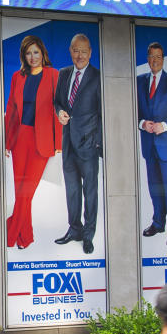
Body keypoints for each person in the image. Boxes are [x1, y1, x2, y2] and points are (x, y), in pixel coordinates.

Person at [4, 34, 61, 250]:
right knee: (21, 190)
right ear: (24, 56)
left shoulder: (53, 75)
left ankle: (11, 232)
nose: (32, 56)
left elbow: (58, 108)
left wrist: (59, 142)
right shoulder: (17, 77)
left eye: (36, 52)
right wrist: (7, 142)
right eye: (28, 53)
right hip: (20, 137)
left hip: (42, 139)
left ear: (42, 53)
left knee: (27, 191)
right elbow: (11, 109)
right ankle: (25, 237)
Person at [53, 33, 101, 255]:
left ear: (90, 52)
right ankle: (75, 229)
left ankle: (88, 235)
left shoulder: (98, 77)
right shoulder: (63, 74)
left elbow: (103, 113)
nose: (79, 55)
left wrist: (97, 143)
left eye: (83, 51)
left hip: (88, 145)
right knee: (72, 190)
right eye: (75, 50)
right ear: (70, 51)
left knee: (90, 192)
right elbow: (58, 102)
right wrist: (60, 111)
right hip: (68, 143)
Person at [137, 42, 167, 247]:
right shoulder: (139, 81)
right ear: (147, 58)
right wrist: (142, 123)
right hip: (149, 145)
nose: (155, 61)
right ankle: (158, 223)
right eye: (151, 56)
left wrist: (163, 126)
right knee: (155, 187)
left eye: (159, 57)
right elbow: (134, 109)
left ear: (163, 59)